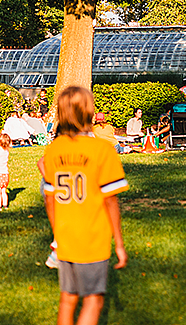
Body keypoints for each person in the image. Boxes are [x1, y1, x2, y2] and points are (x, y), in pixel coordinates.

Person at [40, 86, 128, 325]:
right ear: (89, 112)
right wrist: (119, 243)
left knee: (68, 297)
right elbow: (110, 200)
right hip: (92, 236)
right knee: (93, 300)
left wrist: (57, 233)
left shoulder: (53, 150)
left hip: (66, 236)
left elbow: (49, 198)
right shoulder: (102, 149)